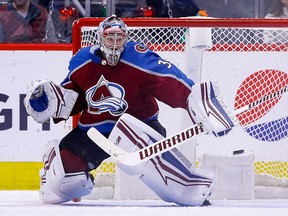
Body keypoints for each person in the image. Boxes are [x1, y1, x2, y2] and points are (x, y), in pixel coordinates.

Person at [24, 15, 234, 206]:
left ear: (126, 38)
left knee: (130, 137)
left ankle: (190, 187)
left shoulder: (138, 58)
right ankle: (76, 182)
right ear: (100, 38)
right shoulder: (83, 62)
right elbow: (73, 98)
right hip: (94, 132)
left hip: (139, 127)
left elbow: (171, 81)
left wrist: (198, 102)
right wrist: (51, 102)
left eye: (119, 37)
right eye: (110, 37)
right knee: (60, 180)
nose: (115, 43)